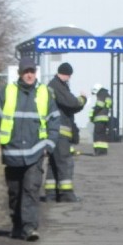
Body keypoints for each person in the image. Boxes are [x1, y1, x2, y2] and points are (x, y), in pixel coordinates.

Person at [0, 57, 60, 240]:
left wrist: (49, 144)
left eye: (32, 71)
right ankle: (17, 224)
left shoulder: (44, 93)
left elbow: (54, 120)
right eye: (26, 72)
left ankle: (30, 228)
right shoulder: (8, 92)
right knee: (15, 192)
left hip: (36, 151)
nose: (30, 75)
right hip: (12, 152)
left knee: (31, 189)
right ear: (20, 74)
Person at [44, 62, 87, 202]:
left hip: (53, 131)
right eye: (69, 76)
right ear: (67, 74)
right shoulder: (57, 86)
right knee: (65, 162)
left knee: (53, 163)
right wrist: (83, 99)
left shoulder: (55, 85)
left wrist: (79, 103)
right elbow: (72, 103)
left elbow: (71, 107)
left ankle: (51, 194)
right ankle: (66, 194)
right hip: (60, 132)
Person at [90, 83, 112, 155]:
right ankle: (104, 151)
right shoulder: (107, 94)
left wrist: (93, 113)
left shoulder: (101, 94)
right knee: (103, 135)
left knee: (97, 135)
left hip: (99, 118)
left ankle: (98, 151)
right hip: (105, 118)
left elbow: (100, 105)